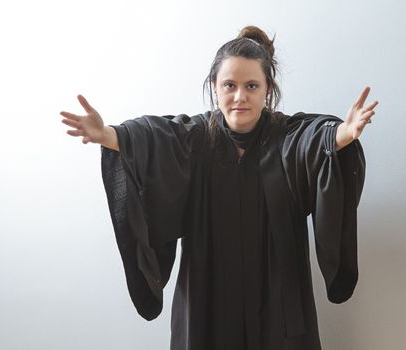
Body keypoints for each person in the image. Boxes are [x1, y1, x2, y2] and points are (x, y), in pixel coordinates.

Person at [60, 25, 378, 350]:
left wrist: (343, 134)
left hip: (277, 295)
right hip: (206, 294)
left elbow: (315, 139)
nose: (240, 96)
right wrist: (109, 135)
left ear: (267, 88)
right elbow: (148, 139)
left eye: (251, 85)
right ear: (215, 87)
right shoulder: (194, 138)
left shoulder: (286, 137)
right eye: (230, 85)